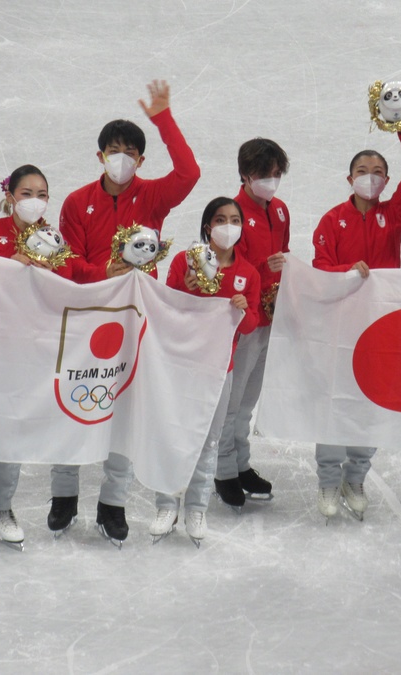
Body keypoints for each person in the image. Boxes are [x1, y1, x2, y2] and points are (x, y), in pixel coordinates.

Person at [52, 80, 201, 544]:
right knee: (76, 403)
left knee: (124, 408)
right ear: (100, 156)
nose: (122, 158)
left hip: (136, 315)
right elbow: (68, 262)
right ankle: (63, 495)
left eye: (131, 152)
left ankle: (112, 502)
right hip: (87, 314)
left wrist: (164, 119)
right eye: (114, 150)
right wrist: (103, 271)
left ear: (141, 159)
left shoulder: (153, 196)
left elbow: (190, 172)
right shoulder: (77, 202)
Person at [311, 122, 401, 520]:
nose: (370, 178)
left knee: (370, 405)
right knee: (335, 405)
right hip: (341, 328)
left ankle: (355, 476)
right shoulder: (331, 220)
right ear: (350, 178)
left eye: (378, 172)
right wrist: (348, 269)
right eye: (363, 171)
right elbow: (321, 269)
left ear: (386, 180)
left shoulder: (392, 215)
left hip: (382, 327)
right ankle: (328, 480)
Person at [0, 164, 71, 552]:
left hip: (30, 346)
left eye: (42, 194)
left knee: (14, 425)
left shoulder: (53, 240)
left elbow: (71, 278)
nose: (34, 201)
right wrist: (13, 268)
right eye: (26, 193)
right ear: (9, 197)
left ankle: (2, 508)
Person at [150, 197, 260, 544]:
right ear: (207, 226)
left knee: (209, 439)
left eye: (234, 220)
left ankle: (196, 508)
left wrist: (243, 311)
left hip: (219, 370)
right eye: (220, 220)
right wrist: (187, 287)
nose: (228, 227)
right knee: (172, 434)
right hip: (181, 365)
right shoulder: (187, 261)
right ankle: (167, 505)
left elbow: (251, 325)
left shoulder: (249, 273)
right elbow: (168, 307)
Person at [214, 138, 290, 509]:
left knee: (248, 401)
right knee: (232, 401)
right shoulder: (232, 218)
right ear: (245, 175)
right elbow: (233, 272)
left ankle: (241, 464)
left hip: (270, 318)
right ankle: (223, 469)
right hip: (243, 319)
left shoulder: (280, 212)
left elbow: (282, 258)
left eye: (276, 175)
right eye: (263, 175)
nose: (271, 181)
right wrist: (266, 270)